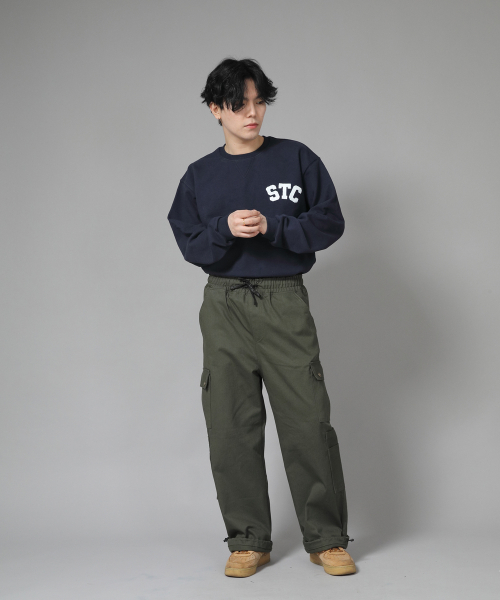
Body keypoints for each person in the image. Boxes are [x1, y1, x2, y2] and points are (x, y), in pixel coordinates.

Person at [167, 57, 356, 578]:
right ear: (215, 109)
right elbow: (189, 242)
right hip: (224, 303)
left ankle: (327, 538)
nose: (252, 113)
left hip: (284, 300)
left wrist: (275, 227)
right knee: (230, 424)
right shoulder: (200, 176)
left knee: (307, 421)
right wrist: (225, 229)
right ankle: (247, 540)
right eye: (239, 104)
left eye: (259, 102)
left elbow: (329, 221)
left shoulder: (296, 158)